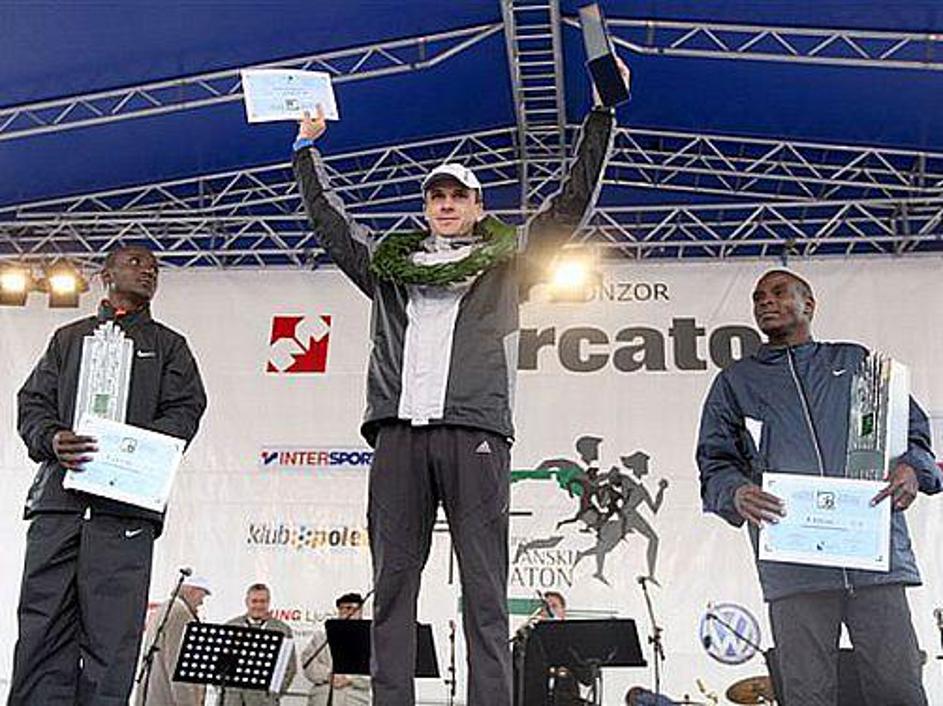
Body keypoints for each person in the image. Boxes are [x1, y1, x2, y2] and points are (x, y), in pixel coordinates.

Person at [292, 62, 624, 706]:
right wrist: (306, 149)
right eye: (436, 197)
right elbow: (332, 226)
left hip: (474, 433)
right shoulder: (388, 268)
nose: (446, 204)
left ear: (478, 208)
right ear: (426, 209)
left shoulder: (509, 264)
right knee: (392, 585)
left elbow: (569, 206)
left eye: (458, 196)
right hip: (398, 436)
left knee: (484, 586)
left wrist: (601, 115)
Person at [696, 269, 941, 706]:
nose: (765, 302)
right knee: (808, 694)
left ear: (808, 305)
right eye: (757, 297)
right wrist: (735, 492)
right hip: (794, 565)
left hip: (874, 556)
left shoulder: (857, 362)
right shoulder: (736, 382)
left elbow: (915, 436)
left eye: (778, 293)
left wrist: (912, 470)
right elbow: (715, 462)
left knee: (898, 689)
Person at [10, 245, 207, 706]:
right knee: (41, 629)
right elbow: (32, 404)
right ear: (106, 274)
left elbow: (186, 409)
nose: (148, 270)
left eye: (154, 267)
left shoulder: (169, 346)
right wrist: (52, 438)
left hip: (124, 514)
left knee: (113, 638)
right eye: (135, 262)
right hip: (58, 507)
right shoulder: (68, 338)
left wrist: (132, 451)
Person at [134, 574, 212, 706]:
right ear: (192, 591)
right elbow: (178, 666)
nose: (201, 602)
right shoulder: (180, 614)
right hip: (168, 699)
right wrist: (187, 703)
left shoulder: (164, 609)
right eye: (202, 596)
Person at [221, 583, 298, 705]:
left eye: (263, 601)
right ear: (247, 602)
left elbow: (290, 667)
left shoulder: (282, 630)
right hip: (231, 700)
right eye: (254, 601)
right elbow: (218, 664)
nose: (258, 606)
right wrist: (223, 690)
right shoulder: (231, 626)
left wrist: (273, 694)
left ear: (269, 602)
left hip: (264, 701)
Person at [301, 592, 371, 706]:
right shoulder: (322, 637)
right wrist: (328, 675)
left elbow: (377, 671)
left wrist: (349, 679)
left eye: (350, 608)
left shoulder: (370, 639)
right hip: (323, 698)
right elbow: (308, 663)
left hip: (354, 699)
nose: (346, 612)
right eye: (342, 609)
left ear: (360, 611)